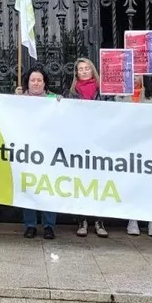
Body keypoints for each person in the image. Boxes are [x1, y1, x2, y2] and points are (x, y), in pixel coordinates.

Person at [64, 58, 109, 238]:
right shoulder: (71, 93)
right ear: (76, 73)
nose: (83, 71)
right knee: (81, 183)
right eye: (80, 69)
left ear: (92, 71)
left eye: (87, 68)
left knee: (98, 182)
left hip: (99, 142)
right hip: (79, 142)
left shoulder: (103, 91)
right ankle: (82, 220)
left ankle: (99, 221)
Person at [114, 75, 152, 238]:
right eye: (131, 74)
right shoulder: (119, 98)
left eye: (138, 74)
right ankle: (132, 219)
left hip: (149, 147)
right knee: (132, 183)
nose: (134, 77)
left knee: (150, 184)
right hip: (128, 146)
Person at [15, 66, 61, 239]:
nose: (35, 83)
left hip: (48, 152)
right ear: (27, 82)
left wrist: (61, 103)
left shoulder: (53, 100)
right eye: (32, 80)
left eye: (39, 80)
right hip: (27, 152)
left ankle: (49, 225)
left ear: (44, 83)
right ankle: (30, 225)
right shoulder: (20, 100)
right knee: (29, 188)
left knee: (49, 188)